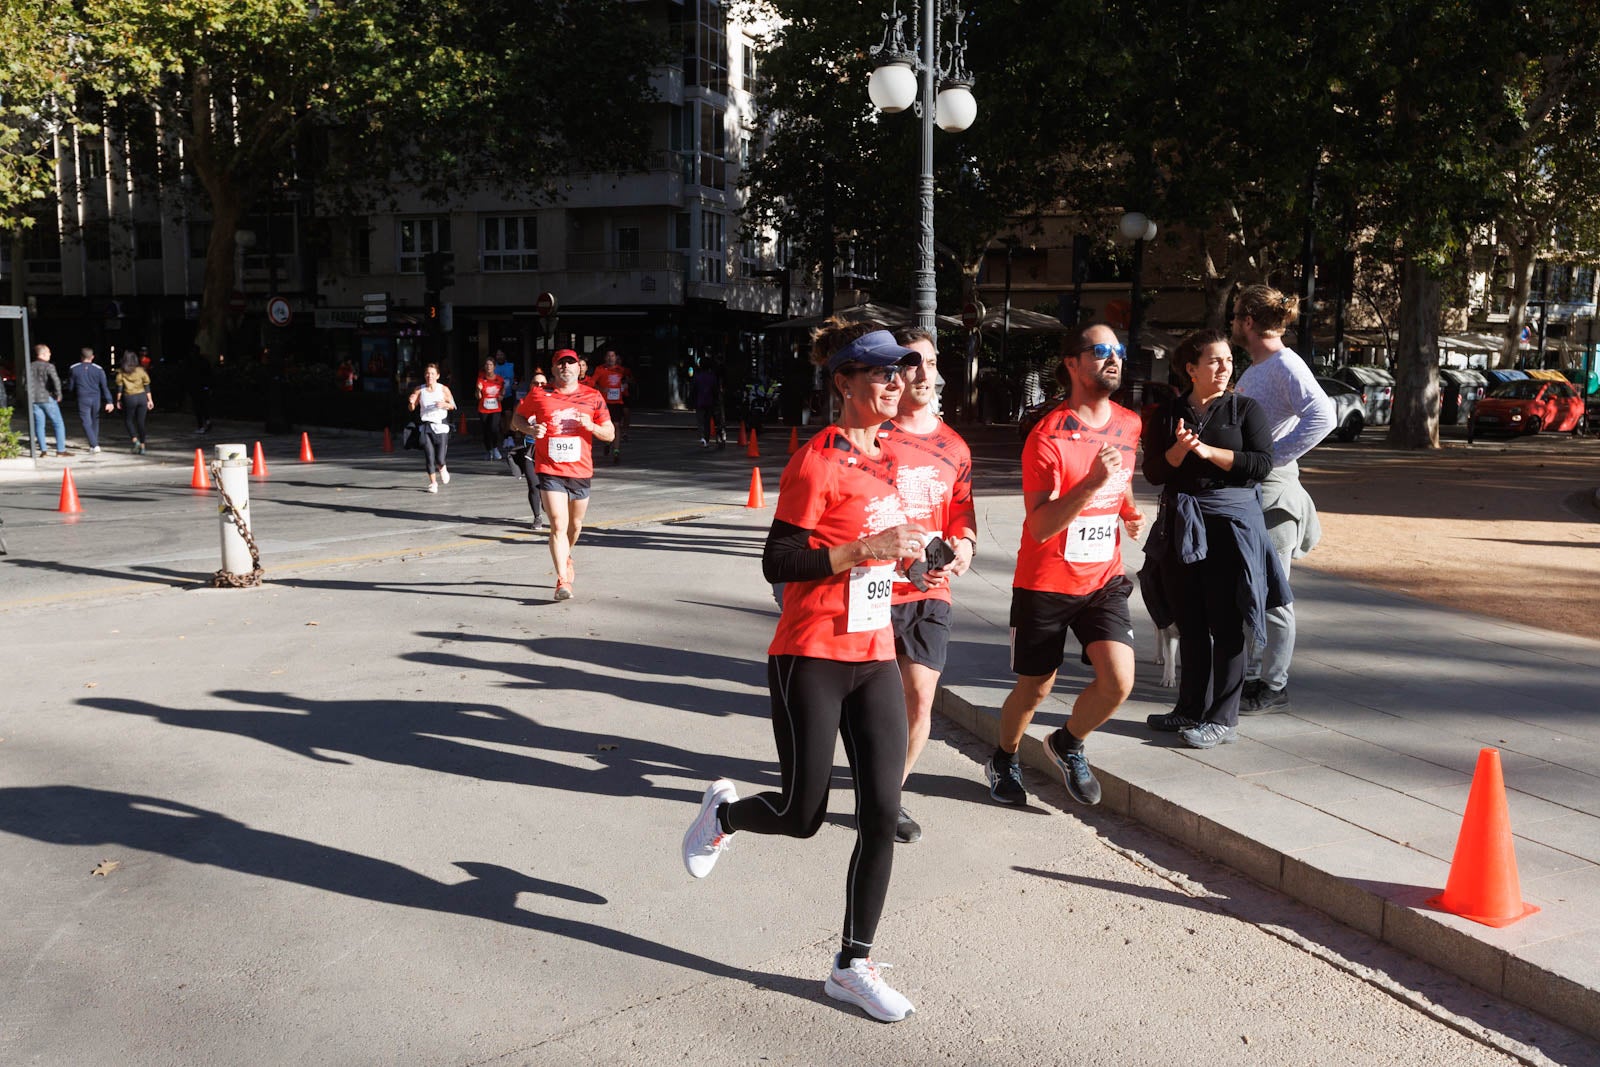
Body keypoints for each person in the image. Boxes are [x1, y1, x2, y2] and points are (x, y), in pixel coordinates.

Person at [681, 320, 927, 1022]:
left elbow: (881, 546)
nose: (894, 382)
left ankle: (852, 964)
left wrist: (915, 556)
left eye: (900, 371)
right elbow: (779, 560)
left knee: (881, 811)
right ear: (844, 381)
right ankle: (723, 814)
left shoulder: (889, 456)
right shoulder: (814, 461)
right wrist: (865, 547)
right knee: (803, 814)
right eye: (881, 372)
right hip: (809, 653)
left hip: (873, 653)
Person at [987, 323, 1146, 808]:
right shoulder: (1047, 437)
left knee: (1119, 681)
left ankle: (1067, 743)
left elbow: (1120, 479)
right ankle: (1004, 756)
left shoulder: (1129, 423)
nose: (1113, 358)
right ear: (1072, 363)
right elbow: (1039, 526)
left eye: (1118, 349)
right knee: (1036, 686)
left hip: (1103, 579)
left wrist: (1127, 509)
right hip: (1045, 583)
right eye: (1100, 351)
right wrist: (1092, 485)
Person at [1138, 329, 1290, 748]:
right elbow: (1154, 472)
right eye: (1214, 361)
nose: (1224, 368)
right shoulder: (1169, 414)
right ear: (1191, 368)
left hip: (1229, 528)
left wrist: (1206, 452)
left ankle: (1222, 718)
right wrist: (1180, 452)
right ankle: (1188, 709)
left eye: (1227, 360)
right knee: (1189, 620)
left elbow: (1260, 464)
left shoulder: (1245, 410)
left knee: (1225, 623)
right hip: (1182, 526)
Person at [881, 326, 976, 843]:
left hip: (928, 590)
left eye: (930, 362)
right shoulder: (872, 436)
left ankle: (887, 799)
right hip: (870, 590)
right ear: (893, 372)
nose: (922, 372)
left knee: (920, 699)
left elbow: (963, 516)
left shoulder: (954, 446)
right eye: (911, 362)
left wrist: (964, 549)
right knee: (876, 704)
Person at [1231, 285, 1335, 715]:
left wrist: (1270, 458)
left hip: (1274, 496)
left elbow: (1323, 415)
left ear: (1249, 322)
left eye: (1236, 316)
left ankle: (1274, 684)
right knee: (1250, 591)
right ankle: (1254, 676)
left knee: (1273, 594)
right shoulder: (1260, 366)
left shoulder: (1284, 364)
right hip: (1254, 491)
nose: (1233, 324)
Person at [510, 349, 613, 601]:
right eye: (560, 364)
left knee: (574, 526)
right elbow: (516, 419)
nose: (565, 367)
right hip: (549, 469)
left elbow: (609, 433)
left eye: (570, 363)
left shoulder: (593, 396)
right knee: (557, 524)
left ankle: (567, 556)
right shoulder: (540, 394)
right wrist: (531, 429)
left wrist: (592, 427)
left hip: (580, 470)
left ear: (580, 368)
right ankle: (562, 581)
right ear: (553, 369)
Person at [408, 362, 456, 493]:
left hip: (440, 426)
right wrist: (411, 402)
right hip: (426, 426)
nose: (430, 376)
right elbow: (412, 408)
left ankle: (442, 467)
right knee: (429, 456)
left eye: (433, 374)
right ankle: (433, 483)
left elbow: (453, 406)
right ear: (424, 375)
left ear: (438, 376)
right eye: (427, 374)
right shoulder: (419, 389)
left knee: (439, 458)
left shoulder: (443, 389)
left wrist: (444, 404)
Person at [68, 347, 114, 455]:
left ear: (81, 357)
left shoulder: (73, 369)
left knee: (86, 422)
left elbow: (71, 386)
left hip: (82, 397)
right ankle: (93, 444)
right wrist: (109, 401)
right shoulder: (99, 369)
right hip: (96, 398)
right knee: (95, 421)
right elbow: (104, 387)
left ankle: (94, 444)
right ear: (92, 357)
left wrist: (72, 395)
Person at [27, 345, 70, 456]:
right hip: (47, 397)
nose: (50, 354)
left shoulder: (29, 366)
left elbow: (24, 382)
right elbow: (56, 381)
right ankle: (60, 450)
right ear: (43, 354)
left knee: (39, 425)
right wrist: (58, 394)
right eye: (49, 352)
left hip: (33, 399)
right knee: (58, 423)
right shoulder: (49, 366)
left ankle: (43, 450)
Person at [590, 350, 632, 462]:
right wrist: (601, 389)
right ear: (605, 358)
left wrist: (625, 384)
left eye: (612, 356)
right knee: (607, 425)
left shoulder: (621, 370)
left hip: (617, 403)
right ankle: (608, 441)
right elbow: (592, 382)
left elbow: (630, 380)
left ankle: (616, 452)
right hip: (604, 403)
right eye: (608, 356)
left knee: (617, 425)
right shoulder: (600, 369)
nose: (610, 358)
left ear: (616, 358)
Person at [114, 352, 154, 454]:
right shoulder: (141, 371)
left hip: (129, 397)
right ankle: (143, 446)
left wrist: (118, 400)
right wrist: (150, 400)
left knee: (128, 420)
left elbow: (120, 388)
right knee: (141, 422)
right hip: (142, 397)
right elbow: (147, 386)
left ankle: (135, 441)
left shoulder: (122, 372)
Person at [475, 357, 508, 460]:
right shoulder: (481, 379)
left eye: (490, 365)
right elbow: (478, 397)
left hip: (495, 408)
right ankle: (488, 450)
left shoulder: (500, 379)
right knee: (485, 430)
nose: (488, 367)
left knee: (494, 428)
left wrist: (501, 396)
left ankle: (495, 448)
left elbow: (503, 392)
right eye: (487, 365)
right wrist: (478, 390)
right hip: (483, 408)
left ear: (494, 367)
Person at [692, 359, 723, 448]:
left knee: (700, 421)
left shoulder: (697, 377)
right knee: (707, 422)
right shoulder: (712, 377)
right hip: (709, 402)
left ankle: (702, 438)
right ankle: (706, 439)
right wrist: (716, 400)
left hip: (700, 402)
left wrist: (692, 401)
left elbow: (694, 390)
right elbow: (715, 390)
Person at [189, 347, 214, 433]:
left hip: (197, 388)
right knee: (204, 406)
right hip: (203, 387)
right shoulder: (204, 361)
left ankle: (201, 426)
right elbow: (210, 374)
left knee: (198, 407)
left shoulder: (194, 362)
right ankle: (207, 421)